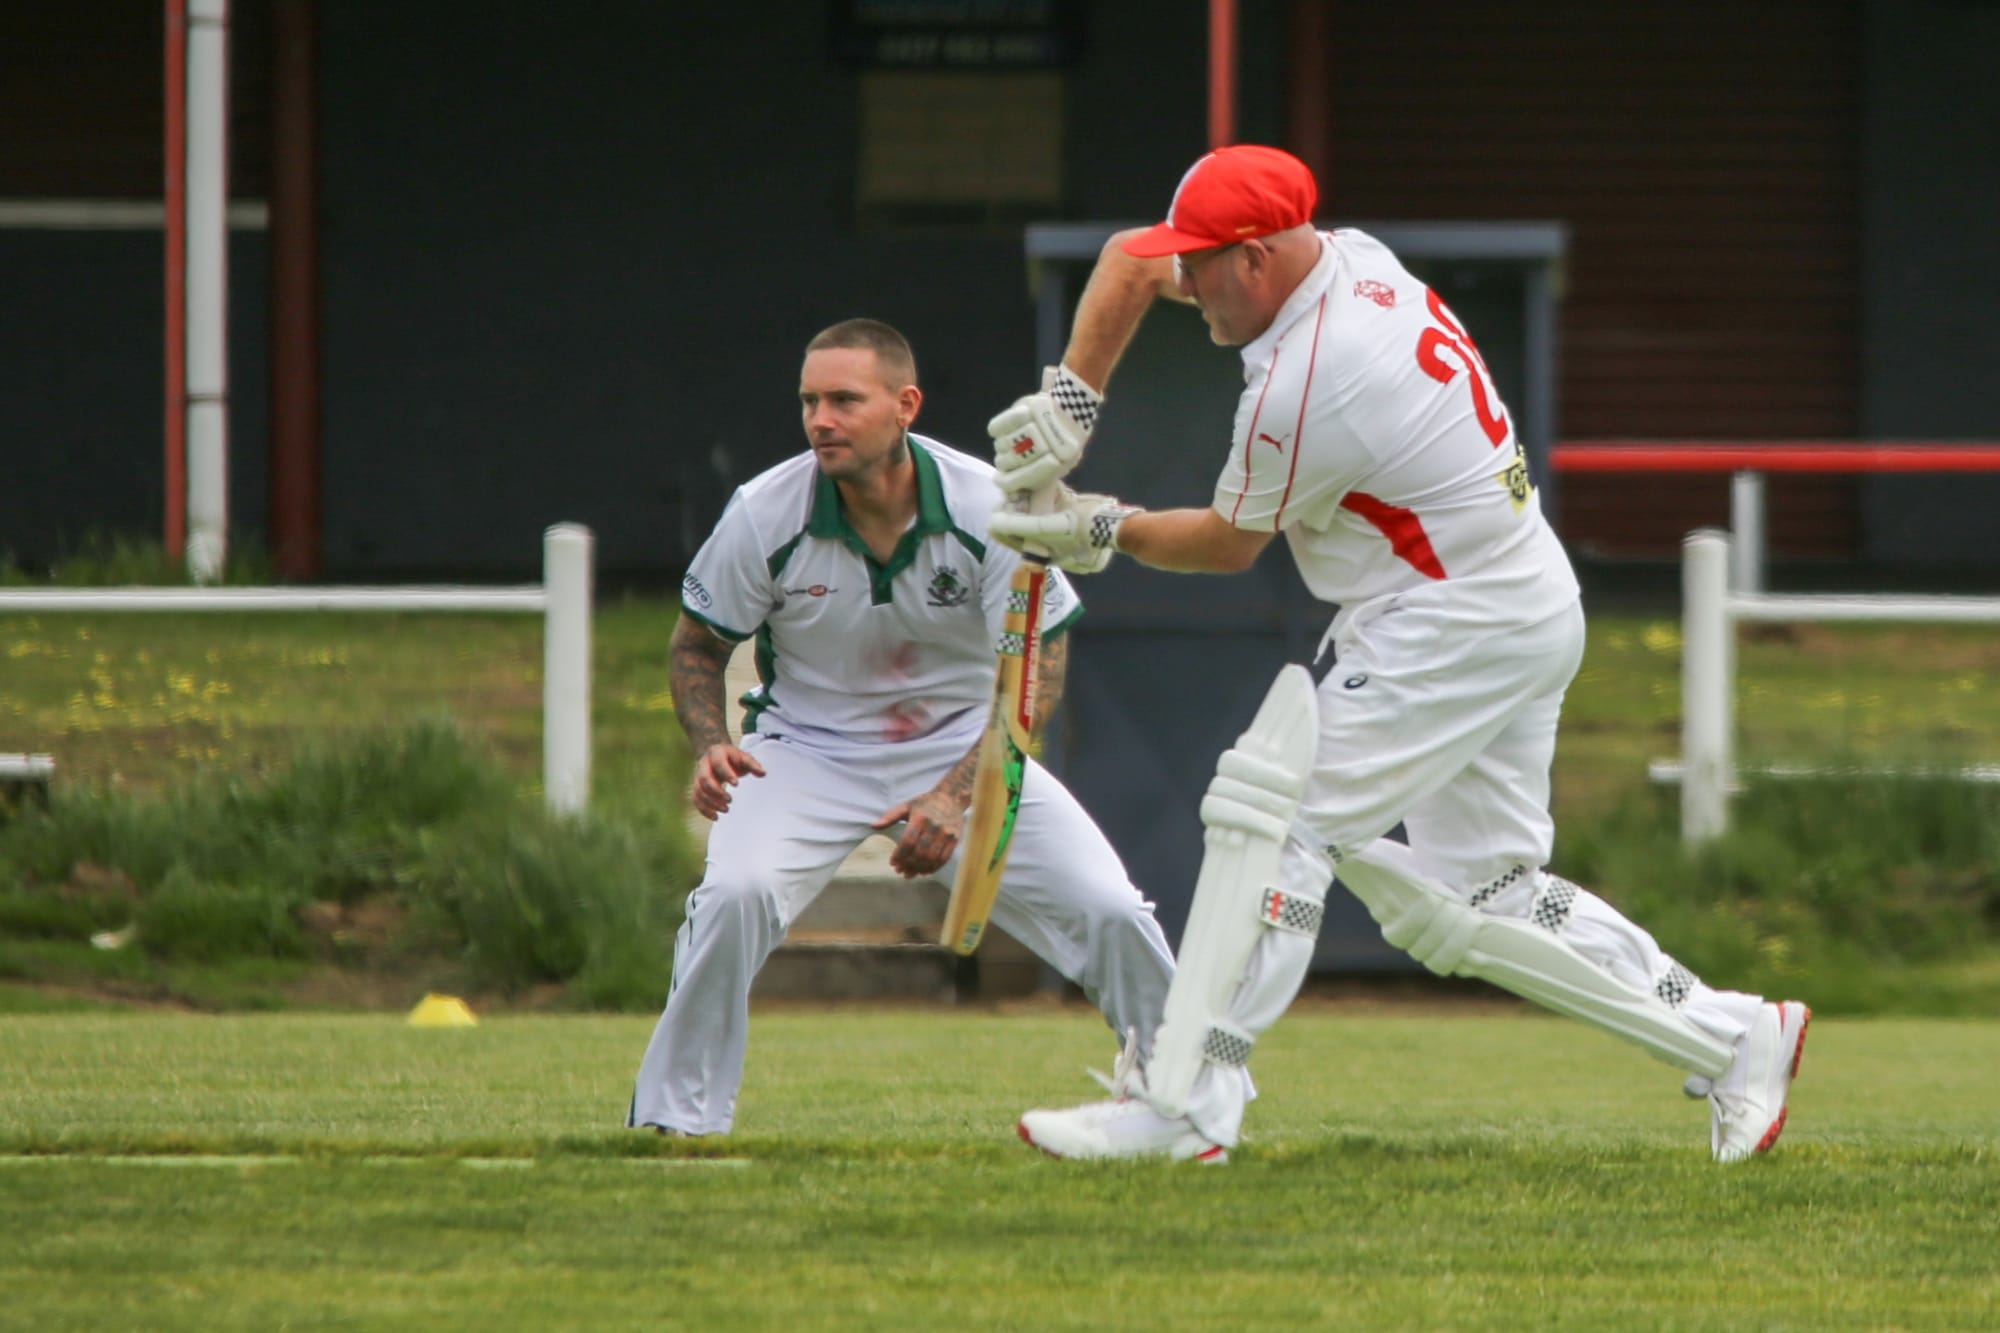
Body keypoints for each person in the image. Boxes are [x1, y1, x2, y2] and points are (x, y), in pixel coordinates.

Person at [983, 145, 1808, 1164]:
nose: (1184, 286)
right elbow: (1122, 260)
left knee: (1271, 813)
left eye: (1200, 268)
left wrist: (1098, 529)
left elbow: (1229, 546)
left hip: (1449, 617)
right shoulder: (1341, 253)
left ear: (1253, 258)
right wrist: (1070, 409)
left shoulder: (1313, 382)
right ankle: (1734, 1038)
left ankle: (1188, 1098)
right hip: (1507, 595)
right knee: (1481, 894)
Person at [627, 318, 1194, 1143]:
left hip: (966, 745)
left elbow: (1042, 666)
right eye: (809, 401)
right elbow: (697, 644)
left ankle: (1185, 1101)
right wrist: (712, 741)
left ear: (905, 406)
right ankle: (675, 1121)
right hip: (804, 749)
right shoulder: (763, 511)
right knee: (734, 897)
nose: (821, 419)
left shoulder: (990, 504)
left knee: (1109, 908)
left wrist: (958, 795)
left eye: (844, 400)